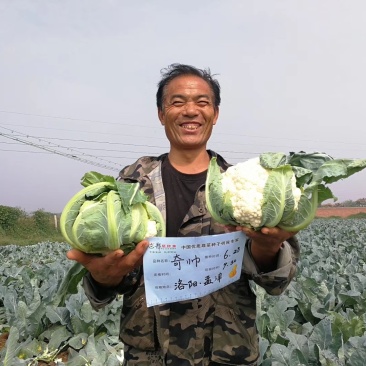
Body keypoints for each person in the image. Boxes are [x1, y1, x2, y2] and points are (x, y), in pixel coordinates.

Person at [66, 63, 300, 366]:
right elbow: (110, 273)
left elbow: (277, 283)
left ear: (215, 114)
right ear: (162, 114)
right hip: (149, 354)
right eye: (177, 102)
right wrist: (103, 278)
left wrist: (268, 250)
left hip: (227, 351)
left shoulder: (241, 186)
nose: (191, 110)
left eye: (202, 102)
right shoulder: (131, 185)